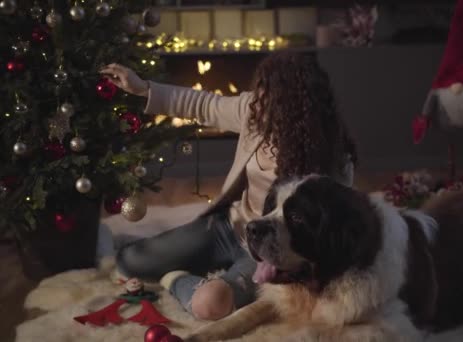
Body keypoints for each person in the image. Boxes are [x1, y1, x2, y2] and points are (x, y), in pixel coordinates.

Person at [100, 51, 357, 321]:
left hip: (271, 250)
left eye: (269, 93)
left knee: (210, 305)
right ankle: (205, 264)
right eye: (260, 90)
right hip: (228, 227)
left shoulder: (333, 157)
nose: (258, 100)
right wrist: (143, 88)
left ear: (295, 102)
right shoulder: (255, 113)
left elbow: (333, 231)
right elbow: (203, 104)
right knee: (130, 262)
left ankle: (177, 278)